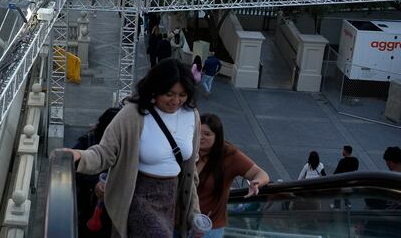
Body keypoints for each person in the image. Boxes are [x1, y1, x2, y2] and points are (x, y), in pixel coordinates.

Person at [64, 58, 201, 238]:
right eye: (169, 93)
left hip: (171, 198)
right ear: (155, 89)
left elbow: (191, 174)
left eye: (182, 94)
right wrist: (78, 155)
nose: (176, 101)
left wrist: (194, 212)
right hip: (138, 195)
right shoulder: (133, 114)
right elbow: (105, 152)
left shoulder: (192, 116)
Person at [196, 114, 270, 238]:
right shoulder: (187, 150)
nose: (201, 137)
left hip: (209, 227)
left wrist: (256, 182)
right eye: (198, 132)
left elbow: (261, 174)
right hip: (178, 221)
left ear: (217, 137)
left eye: (207, 134)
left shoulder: (229, 155)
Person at [73, 108, 120, 238]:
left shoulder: (127, 144)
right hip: (89, 204)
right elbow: (74, 170)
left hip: (116, 208)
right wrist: (95, 183)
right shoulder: (87, 140)